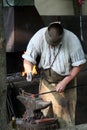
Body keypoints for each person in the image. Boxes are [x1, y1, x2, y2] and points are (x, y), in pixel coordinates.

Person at [22, 22, 86, 128]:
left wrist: (65, 82)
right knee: (44, 118)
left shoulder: (72, 40)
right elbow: (27, 59)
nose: (51, 46)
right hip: (46, 84)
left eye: (54, 44)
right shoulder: (39, 36)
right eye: (50, 43)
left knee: (64, 122)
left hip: (66, 85)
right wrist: (29, 72)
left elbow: (79, 65)